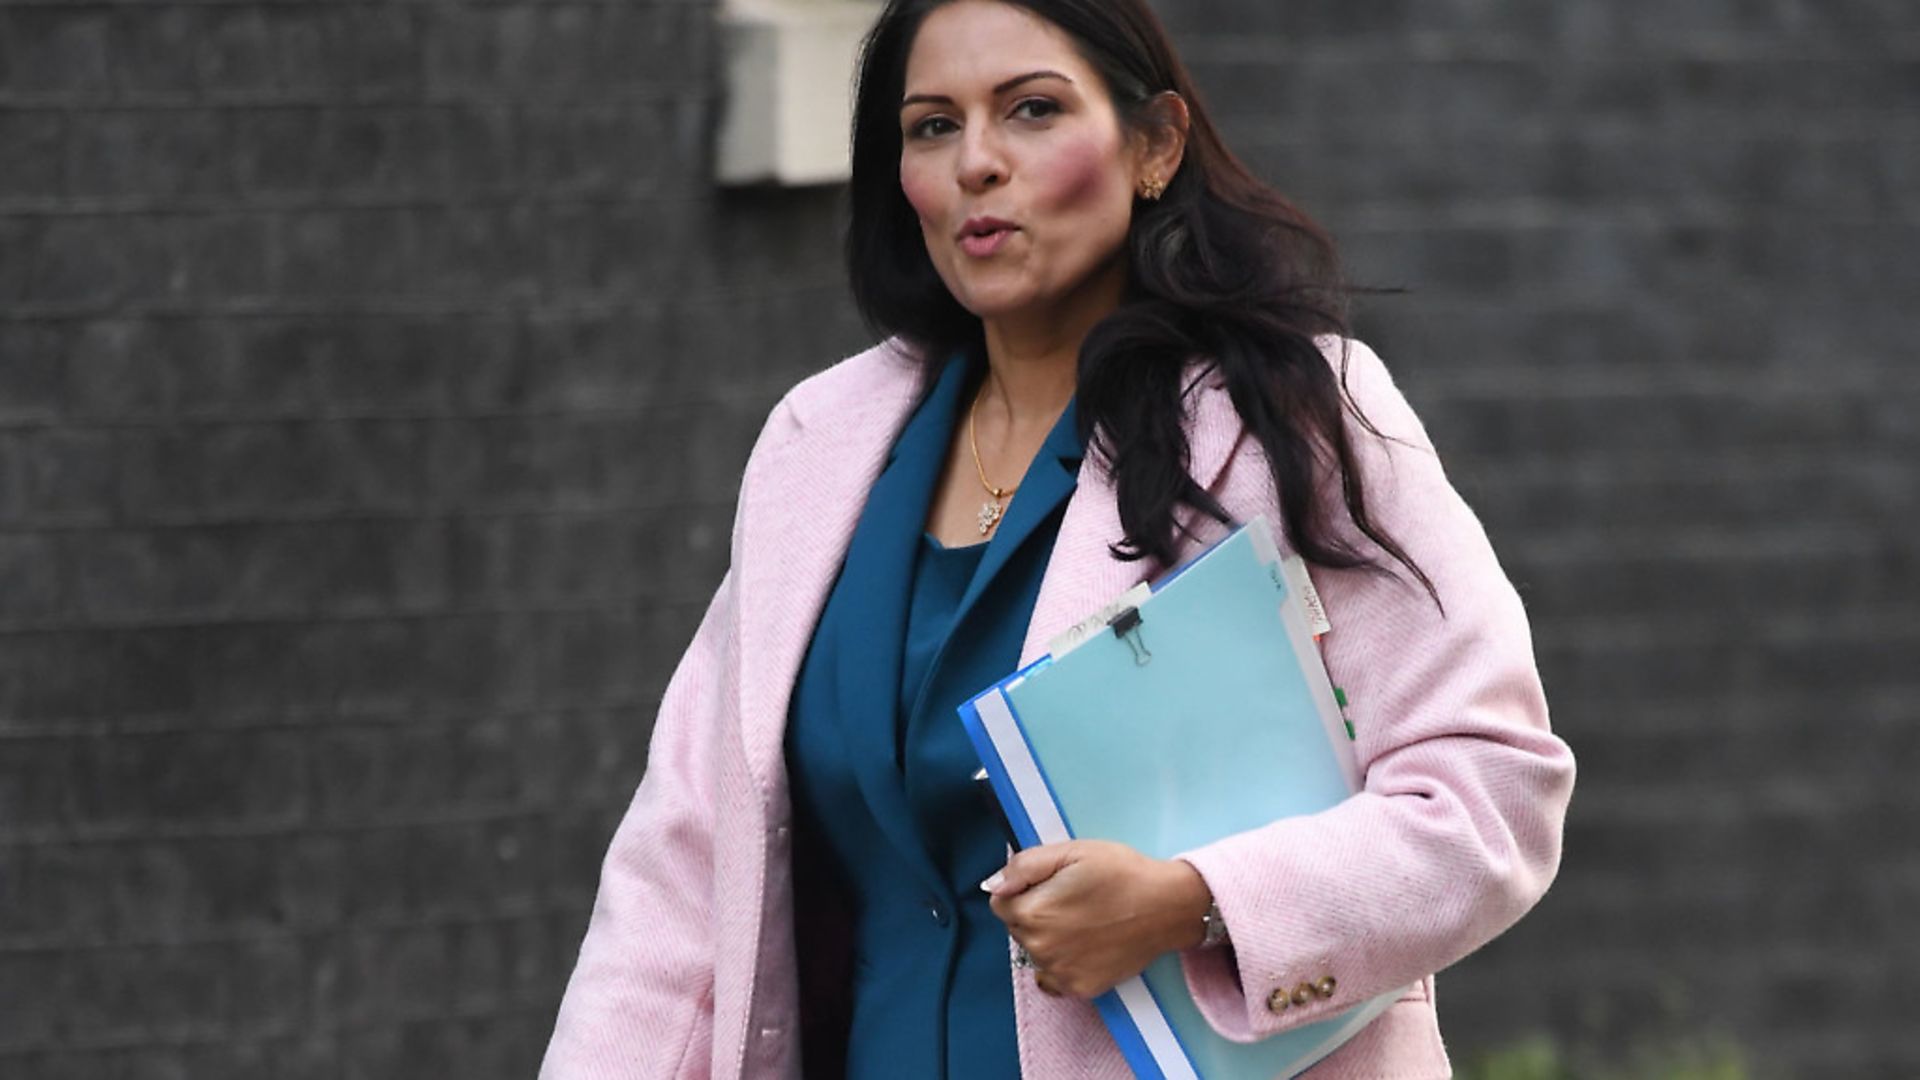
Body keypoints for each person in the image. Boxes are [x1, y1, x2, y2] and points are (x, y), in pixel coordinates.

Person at [540, 0, 1576, 1076]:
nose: (978, 164)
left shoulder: (1289, 420)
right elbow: (684, 864)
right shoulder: (819, 449)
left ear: (1156, 144)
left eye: (1031, 110)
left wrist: (1196, 903)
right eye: (933, 126)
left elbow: (1491, 788)